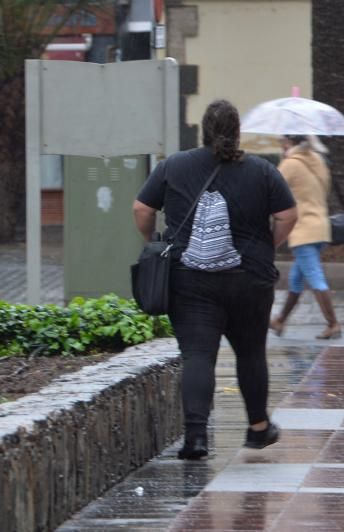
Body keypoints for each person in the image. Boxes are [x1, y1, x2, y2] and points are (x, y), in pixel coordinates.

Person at [132, 99, 298, 459]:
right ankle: (257, 429)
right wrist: (267, 245)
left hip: (189, 280)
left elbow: (142, 208)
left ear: (203, 130)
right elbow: (287, 214)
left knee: (197, 355)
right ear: (237, 132)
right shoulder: (263, 170)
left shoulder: (173, 166)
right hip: (249, 280)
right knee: (251, 353)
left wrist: (153, 242)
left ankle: (196, 438)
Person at [269, 135, 342, 340]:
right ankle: (280, 320)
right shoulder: (318, 160)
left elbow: (272, 187)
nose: (281, 147)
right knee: (296, 279)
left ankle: (333, 323)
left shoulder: (291, 164)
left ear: (290, 144)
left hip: (303, 228)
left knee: (315, 276)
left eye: (282, 143)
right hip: (320, 226)